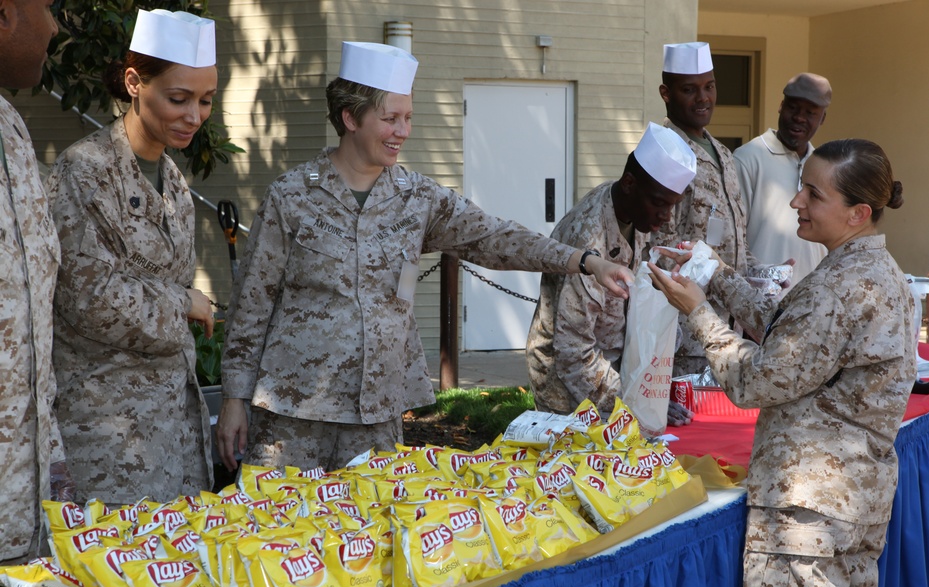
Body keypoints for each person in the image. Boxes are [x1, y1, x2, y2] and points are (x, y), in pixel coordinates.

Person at [217, 42, 634, 473]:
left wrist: (586, 261)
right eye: (390, 118)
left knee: (368, 533)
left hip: (375, 416)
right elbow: (252, 304)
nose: (403, 130)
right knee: (284, 532)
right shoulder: (291, 197)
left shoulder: (416, 199)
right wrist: (233, 399)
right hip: (293, 414)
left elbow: (496, 236)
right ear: (350, 118)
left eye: (408, 118)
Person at [649, 138, 915, 587]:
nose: (797, 202)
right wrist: (713, 273)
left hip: (805, 516)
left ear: (857, 213)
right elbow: (791, 329)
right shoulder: (879, 273)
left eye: (813, 194)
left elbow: (757, 382)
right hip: (855, 506)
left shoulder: (837, 288)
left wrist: (698, 311)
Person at [46, 9, 217, 504]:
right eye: (178, 98)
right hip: (110, 441)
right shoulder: (86, 173)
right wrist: (183, 302)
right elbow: (88, 299)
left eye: (205, 101)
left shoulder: (176, 183)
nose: (194, 116)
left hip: (176, 436)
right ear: (134, 83)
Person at [526, 122, 696, 423]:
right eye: (659, 203)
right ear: (630, 183)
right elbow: (573, 355)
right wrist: (638, 398)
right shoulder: (588, 237)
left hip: (610, 374)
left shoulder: (630, 209)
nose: (665, 217)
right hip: (568, 393)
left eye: (672, 206)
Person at [652, 41, 785, 375]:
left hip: (731, 335)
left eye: (709, 87)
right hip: (686, 338)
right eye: (689, 89)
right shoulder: (662, 154)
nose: (703, 98)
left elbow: (732, 240)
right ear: (666, 93)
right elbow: (652, 251)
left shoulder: (724, 155)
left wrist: (764, 274)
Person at [0, 0, 73, 561]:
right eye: (46, 7)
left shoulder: (12, 129)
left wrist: (54, 464)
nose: (54, 25)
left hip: (23, 521)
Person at [735, 73, 832, 288]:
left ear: (822, 119)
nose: (799, 117)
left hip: (810, 304)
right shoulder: (747, 159)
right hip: (758, 303)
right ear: (781, 106)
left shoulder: (824, 166)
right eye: (793, 108)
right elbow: (731, 240)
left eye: (810, 112)